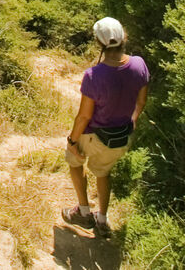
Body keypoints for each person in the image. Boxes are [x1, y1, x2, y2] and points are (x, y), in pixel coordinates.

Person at [61, 16, 150, 238]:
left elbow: (84, 116)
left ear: (99, 43)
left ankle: (83, 212)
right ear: (124, 37)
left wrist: (72, 141)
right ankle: (102, 219)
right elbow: (141, 102)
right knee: (104, 172)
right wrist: (132, 122)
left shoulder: (93, 75)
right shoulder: (139, 64)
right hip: (121, 137)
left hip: (95, 136)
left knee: (74, 161)